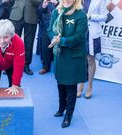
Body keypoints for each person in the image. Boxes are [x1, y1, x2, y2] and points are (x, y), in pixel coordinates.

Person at [47, 0, 88, 128]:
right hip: (60, 55)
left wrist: (62, 40)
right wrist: (54, 37)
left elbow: (80, 37)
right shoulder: (56, 12)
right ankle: (61, 108)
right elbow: (50, 29)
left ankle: (68, 116)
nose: (66, 0)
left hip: (73, 56)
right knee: (60, 83)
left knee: (70, 87)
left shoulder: (80, 15)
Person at [0, 19, 25, 95]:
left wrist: (15, 85)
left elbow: (19, 66)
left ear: (12, 35)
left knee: (15, 90)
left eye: (6, 37)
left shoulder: (19, 42)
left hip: (11, 65)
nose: (2, 41)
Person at [77, 0, 107, 99]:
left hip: (92, 32)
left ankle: (89, 86)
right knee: (81, 59)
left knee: (90, 59)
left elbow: (104, 17)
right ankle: (80, 85)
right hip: (80, 31)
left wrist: (91, 17)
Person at [9, 0, 42, 75]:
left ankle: (26, 65)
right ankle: (11, 64)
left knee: (29, 43)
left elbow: (40, 2)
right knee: (13, 42)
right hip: (16, 14)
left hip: (31, 16)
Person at [37, 0, 58, 75]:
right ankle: (45, 67)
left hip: (58, 27)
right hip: (45, 26)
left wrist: (57, 3)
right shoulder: (44, 1)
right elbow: (39, 12)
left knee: (58, 48)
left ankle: (59, 69)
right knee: (45, 48)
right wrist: (43, 6)